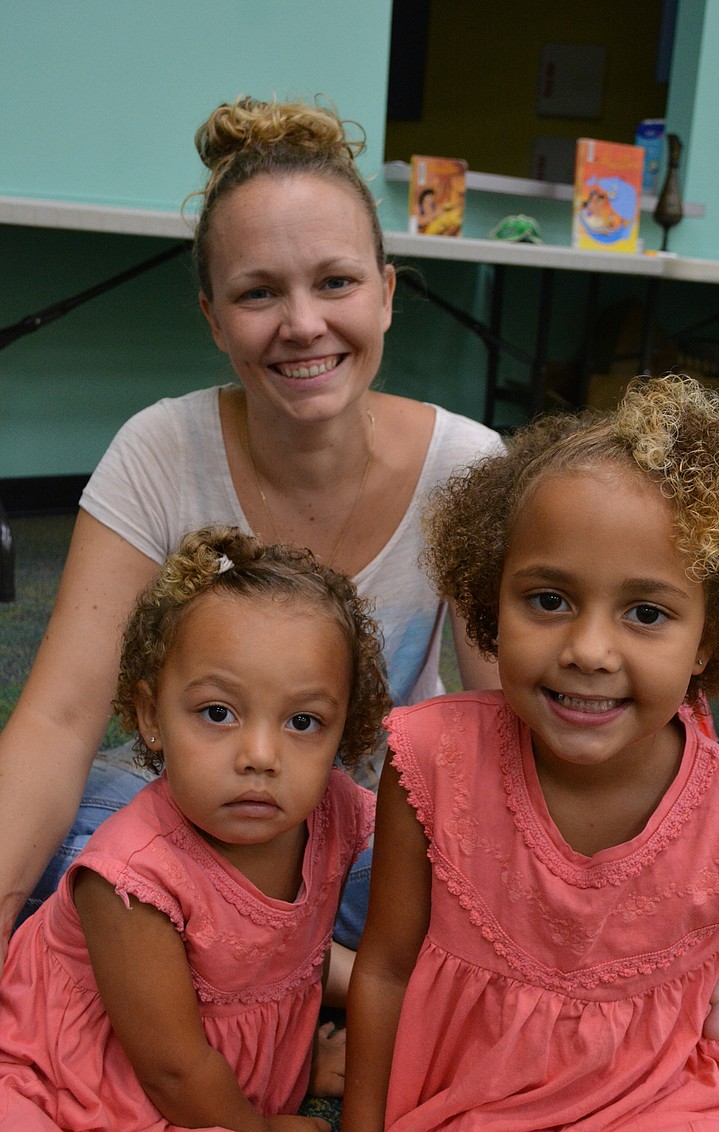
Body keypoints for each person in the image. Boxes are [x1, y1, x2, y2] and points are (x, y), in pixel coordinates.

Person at [0, 95, 501, 957]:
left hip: (373, 840)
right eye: (259, 292)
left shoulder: (468, 468)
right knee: (82, 868)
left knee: (480, 893)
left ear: (386, 293)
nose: (303, 324)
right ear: (213, 317)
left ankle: (274, 984)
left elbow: (505, 721)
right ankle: (315, 988)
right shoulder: (159, 448)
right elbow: (58, 719)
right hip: (192, 813)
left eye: (336, 282)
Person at [322, 376, 719, 1132]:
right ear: (491, 604)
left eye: (646, 613)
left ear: (712, 636)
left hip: (663, 1112)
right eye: (549, 599)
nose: (590, 650)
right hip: (470, 1122)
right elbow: (386, 966)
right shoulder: (430, 758)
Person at [0, 525, 390, 1132]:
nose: (260, 755)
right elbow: (172, 1070)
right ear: (152, 717)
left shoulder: (335, 809)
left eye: (303, 722)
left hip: (205, 1070)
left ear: (344, 728)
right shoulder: (130, 879)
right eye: (217, 712)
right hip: (110, 1080)